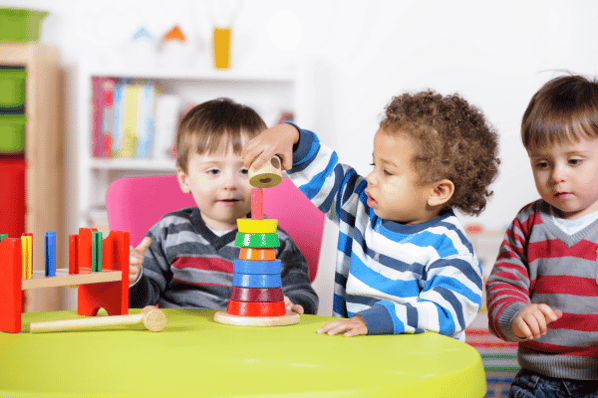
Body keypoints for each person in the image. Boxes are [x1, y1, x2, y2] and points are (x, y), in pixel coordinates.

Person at [242, 90, 500, 338]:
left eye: (387, 172)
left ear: (438, 190)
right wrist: (291, 136)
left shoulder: (449, 247)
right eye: (373, 165)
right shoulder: (361, 205)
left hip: (416, 372)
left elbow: (449, 309)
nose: (371, 178)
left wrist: (379, 319)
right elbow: (324, 174)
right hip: (362, 362)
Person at [128, 98, 318, 315]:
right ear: (185, 179)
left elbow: (303, 293)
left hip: (248, 342)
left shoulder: (274, 239)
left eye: (245, 171)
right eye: (214, 171)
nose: (230, 184)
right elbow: (141, 300)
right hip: (180, 341)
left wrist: (294, 304)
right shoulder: (168, 232)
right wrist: (134, 279)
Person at [486, 75, 598, 396]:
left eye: (574, 161)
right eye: (543, 163)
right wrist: (516, 315)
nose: (557, 175)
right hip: (540, 378)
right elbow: (504, 283)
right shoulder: (528, 222)